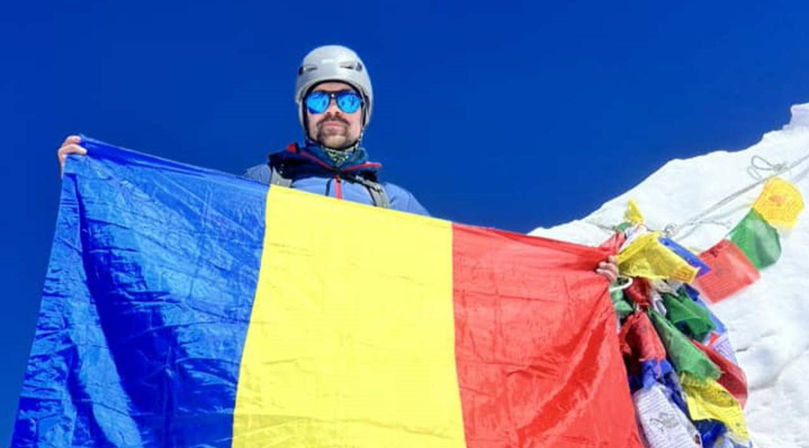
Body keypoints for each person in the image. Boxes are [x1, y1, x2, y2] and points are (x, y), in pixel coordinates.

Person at [56, 44, 618, 281]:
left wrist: (569, 273)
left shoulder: (394, 202)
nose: (333, 109)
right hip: (285, 353)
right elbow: (192, 229)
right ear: (302, 112)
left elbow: (468, 268)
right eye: (319, 98)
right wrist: (104, 185)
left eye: (347, 98)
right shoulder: (264, 183)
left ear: (364, 115)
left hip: (372, 352)